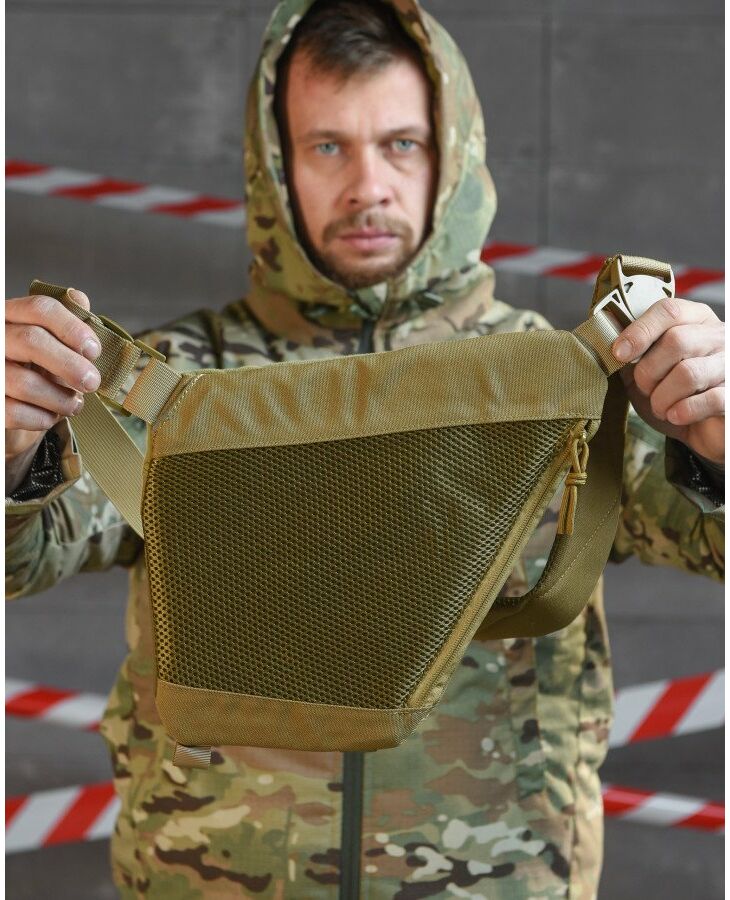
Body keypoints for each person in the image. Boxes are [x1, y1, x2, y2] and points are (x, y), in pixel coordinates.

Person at [5, 1, 724, 897]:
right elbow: (25, 555)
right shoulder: (177, 379)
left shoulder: (563, 383)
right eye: (327, 146)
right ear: (275, 164)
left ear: (452, 155)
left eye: (401, 144)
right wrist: (12, 450)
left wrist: (718, 438)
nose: (368, 185)